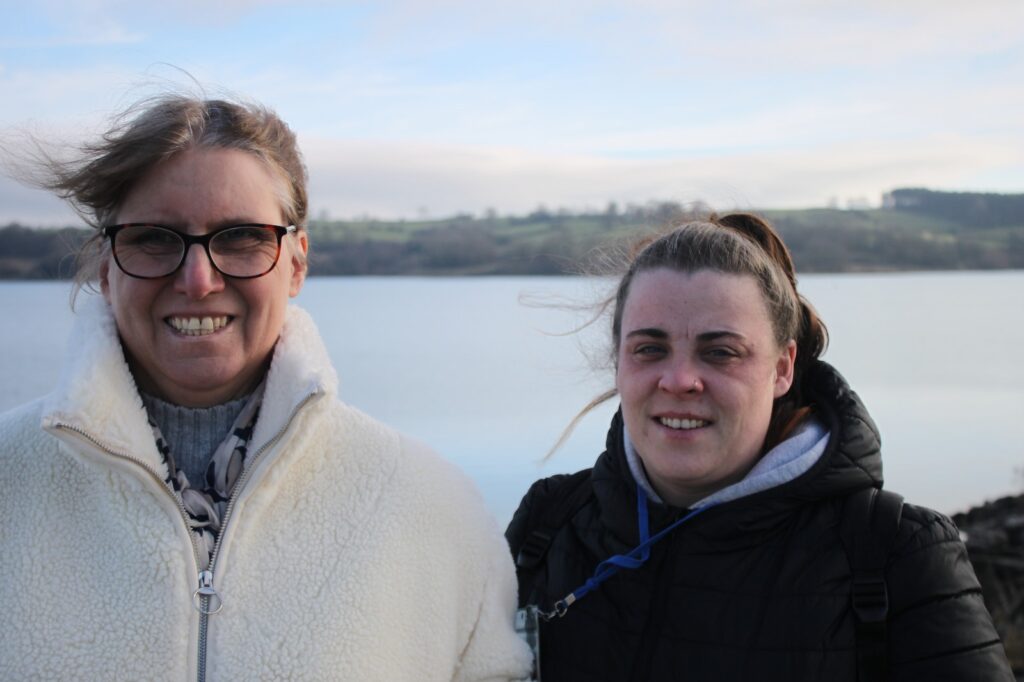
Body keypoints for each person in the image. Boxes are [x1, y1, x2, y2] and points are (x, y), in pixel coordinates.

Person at [0, 93, 531, 680]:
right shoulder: (8, 478)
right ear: (106, 266)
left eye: (241, 238)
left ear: (296, 263)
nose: (198, 280)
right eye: (153, 238)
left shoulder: (433, 507)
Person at [506, 213, 1013, 680]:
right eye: (650, 349)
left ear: (783, 367)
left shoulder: (896, 553)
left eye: (721, 351)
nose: (680, 379)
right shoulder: (548, 525)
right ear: (618, 360)